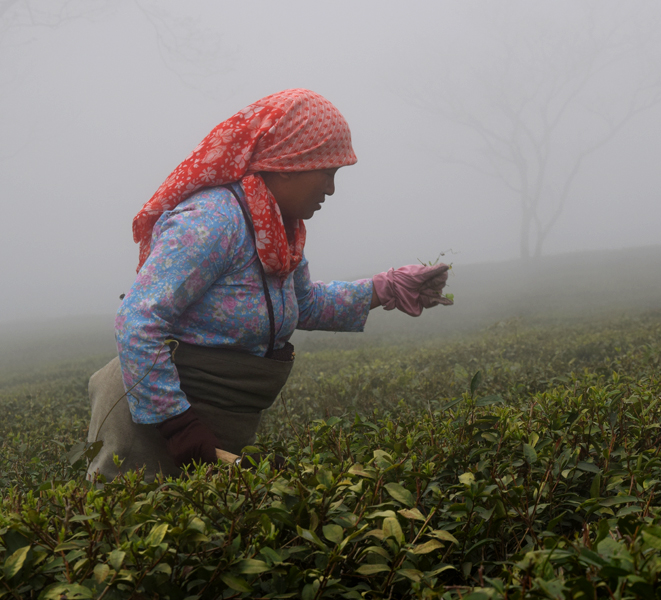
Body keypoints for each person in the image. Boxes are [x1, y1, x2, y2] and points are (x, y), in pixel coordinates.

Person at [86, 89, 452, 481]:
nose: (330, 189)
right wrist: (178, 426)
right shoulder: (212, 221)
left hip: (212, 425)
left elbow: (303, 305)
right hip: (157, 423)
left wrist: (385, 288)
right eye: (327, 172)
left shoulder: (278, 230)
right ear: (286, 165)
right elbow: (138, 320)